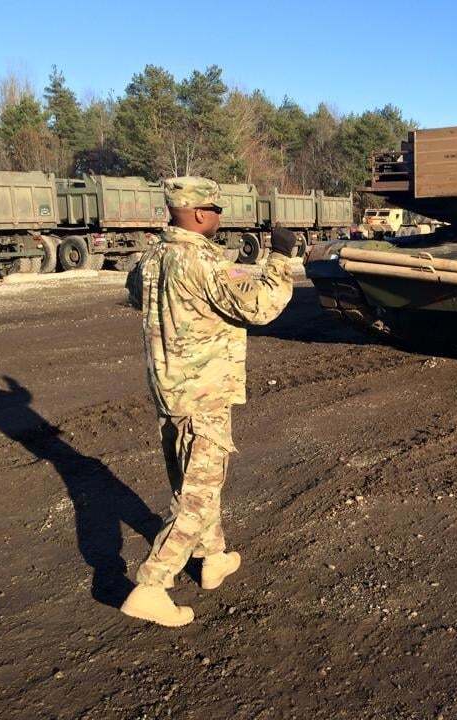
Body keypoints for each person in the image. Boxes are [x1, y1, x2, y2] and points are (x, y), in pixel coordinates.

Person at [121, 176, 297, 627]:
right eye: (216, 209)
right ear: (199, 213)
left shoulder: (154, 256)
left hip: (170, 389)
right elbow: (259, 306)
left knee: (194, 478)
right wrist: (279, 259)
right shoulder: (200, 258)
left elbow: (148, 292)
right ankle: (152, 583)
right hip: (203, 393)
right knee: (199, 493)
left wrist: (240, 265)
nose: (220, 216)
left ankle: (213, 556)